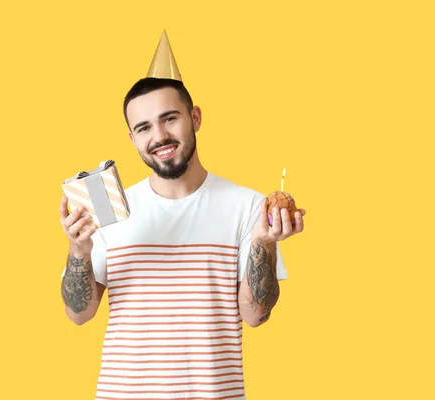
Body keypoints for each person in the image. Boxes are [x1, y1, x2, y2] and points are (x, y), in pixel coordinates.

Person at [59, 31, 306, 400]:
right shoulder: (108, 208)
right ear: (132, 139)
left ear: (195, 117)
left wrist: (264, 244)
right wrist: (79, 248)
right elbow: (79, 315)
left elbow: (256, 315)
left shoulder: (248, 207)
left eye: (169, 118)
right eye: (144, 127)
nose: (159, 136)